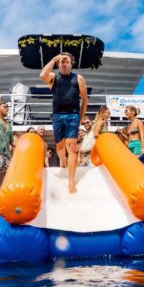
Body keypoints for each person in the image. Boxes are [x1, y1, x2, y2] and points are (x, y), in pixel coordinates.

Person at [39, 52, 88, 194]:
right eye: (61, 62)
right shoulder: (53, 78)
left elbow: (84, 100)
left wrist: (81, 117)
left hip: (73, 115)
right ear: (58, 64)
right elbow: (42, 75)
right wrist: (54, 58)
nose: (64, 64)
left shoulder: (78, 78)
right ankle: (64, 161)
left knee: (72, 148)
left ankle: (71, 182)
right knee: (60, 148)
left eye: (67, 62)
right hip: (57, 116)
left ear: (71, 64)